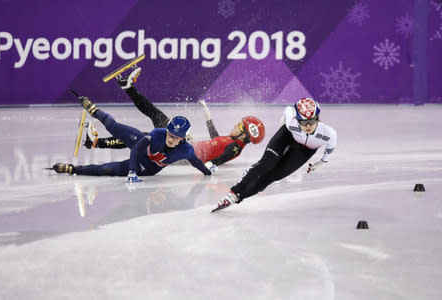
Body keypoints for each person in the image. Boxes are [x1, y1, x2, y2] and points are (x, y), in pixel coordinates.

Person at [83, 66, 266, 169]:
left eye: (239, 126)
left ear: (244, 136)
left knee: (143, 136)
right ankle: (127, 87)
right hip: (183, 145)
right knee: (156, 115)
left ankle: (96, 142)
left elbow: (223, 157)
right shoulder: (231, 140)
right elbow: (215, 138)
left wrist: (211, 165)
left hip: (179, 152)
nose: (235, 126)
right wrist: (207, 114)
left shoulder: (235, 147)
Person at [212, 97, 337, 212]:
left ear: (318, 118)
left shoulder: (328, 134)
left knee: (271, 177)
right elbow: (288, 109)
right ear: (297, 119)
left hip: (305, 150)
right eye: (303, 123)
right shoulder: (291, 123)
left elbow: (330, 147)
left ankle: (238, 198)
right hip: (287, 135)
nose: (308, 126)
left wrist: (323, 162)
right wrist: (284, 118)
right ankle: (234, 192)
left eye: (311, 121)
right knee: (267, 163)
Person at [48, 95, 213, 181]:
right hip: (140, 152)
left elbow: (197, 163)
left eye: (176, 138)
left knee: (104, 170)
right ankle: (94, 110)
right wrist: (132, 171)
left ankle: (73, 169)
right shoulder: (157, 134)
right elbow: (136, 148)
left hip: (147, 170)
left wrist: (207, 173)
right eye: (170, 135)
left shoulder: (187, 150)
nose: (171, 139)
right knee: (114, 127)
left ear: (183, 139)